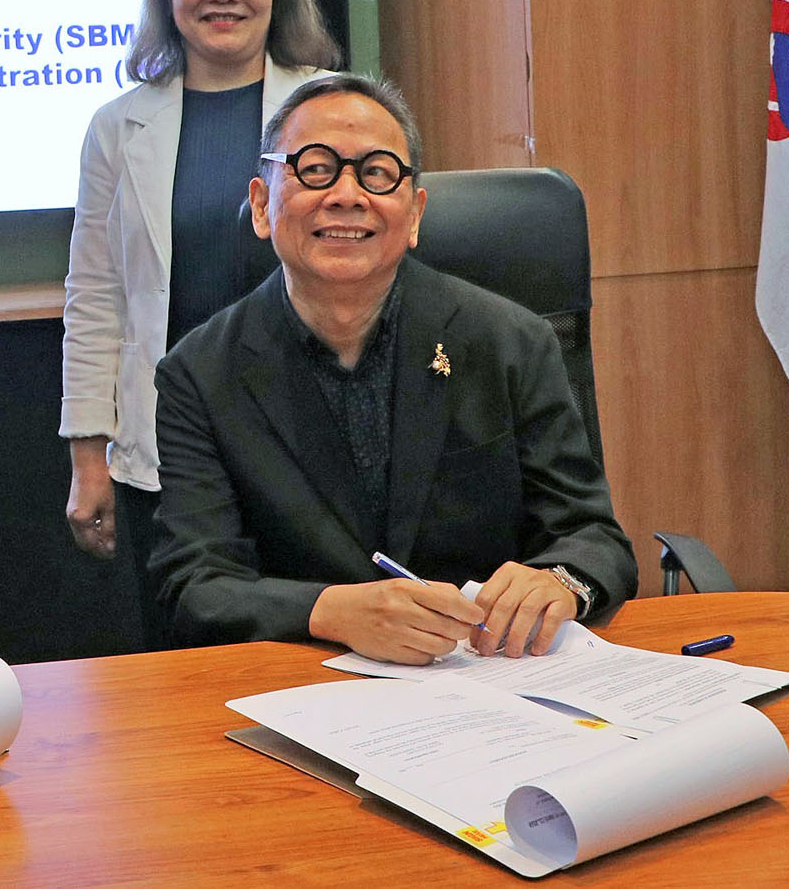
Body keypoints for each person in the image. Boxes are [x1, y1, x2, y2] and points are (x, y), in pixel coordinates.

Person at [150, 72, 636, 664]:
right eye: (315, 167)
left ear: (413, 216)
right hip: (305, 685)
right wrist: (331, 610)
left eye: (377, 172)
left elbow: (593, 538)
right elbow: (194, 587)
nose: (347, 195)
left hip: (493, 679)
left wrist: (561, 582)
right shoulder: (199, 374)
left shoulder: (511, 341)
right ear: (260, 204)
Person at [58, 0, 341, 649]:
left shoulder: (331, 107)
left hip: (310, 432)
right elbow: (95, 295)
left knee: (314, 648)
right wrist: (91, 455)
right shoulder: (120, 125)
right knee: (182, 648)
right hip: (173, 445)